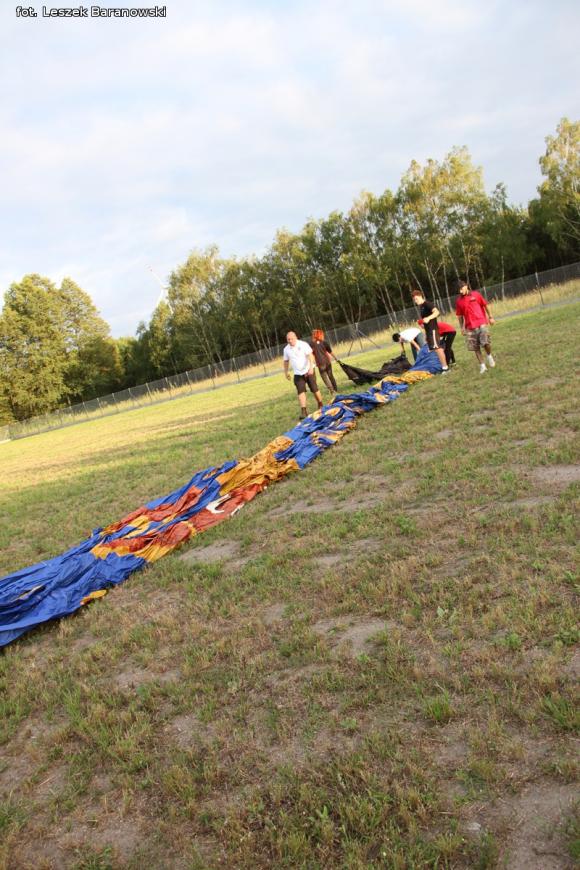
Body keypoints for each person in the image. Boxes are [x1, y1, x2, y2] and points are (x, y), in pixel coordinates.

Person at [454, 278, 496, 374]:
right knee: (475, 347)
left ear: (466, 286)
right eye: (459, 290)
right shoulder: (459, 301)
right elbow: (460, 316)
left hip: (481, 323)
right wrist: (462, 328)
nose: (460, 291)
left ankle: (489, 356)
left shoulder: (476, 295)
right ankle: (483, 366)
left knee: (485, 343)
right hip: (470, 327)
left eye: (461, 289)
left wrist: (490, 317)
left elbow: (485, 305)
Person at [283, 331, 324, 419]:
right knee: (300, 391)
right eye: (288, 339)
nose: (290, 341)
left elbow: (311, 356)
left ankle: (320, 404)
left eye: (291, 339)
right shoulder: (286, 349)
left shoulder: (303, 344)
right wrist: (286, 372)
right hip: (298, 373)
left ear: (296, 337)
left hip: (308, 370)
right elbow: (286, 361)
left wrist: (310, 368)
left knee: (314, 389)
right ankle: (304, 411)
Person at [410, 291, 449, 372]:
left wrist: (429, 318)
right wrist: (426, 334)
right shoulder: (421, 307)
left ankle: (445, 368)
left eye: (416, 299)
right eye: (414, 300)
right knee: (436, 349)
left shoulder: (427, 304)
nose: (415, 301)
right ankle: (444, 365)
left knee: (438, 349)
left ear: (420, 296)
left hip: (433, 330)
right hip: (429, 331)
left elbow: (437, 312)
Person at [310, 329, 338, 396]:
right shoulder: (324, 342)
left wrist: (312, 362)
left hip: (320, 363)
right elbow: (330, 352)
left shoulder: (311, 344)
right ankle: (335, 388)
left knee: (325, 377)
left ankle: (332, 390)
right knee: (330, 375)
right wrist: (336, 358)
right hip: (327, 362)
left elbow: (310, 354)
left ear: (314, 335)